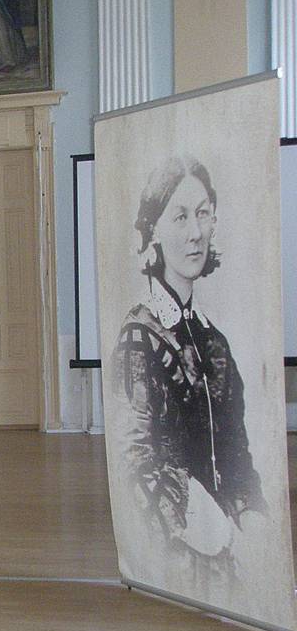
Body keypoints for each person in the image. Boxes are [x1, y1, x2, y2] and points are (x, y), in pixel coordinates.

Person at [110, 154, 266, 568]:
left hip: (230, 558)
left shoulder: (215, 343)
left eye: (202, 214)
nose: (195, 232)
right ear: (154, 231)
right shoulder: (139, 338)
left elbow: (236, 455)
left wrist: (253, 519)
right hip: (179, 559)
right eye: (179, 217)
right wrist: (219, 534)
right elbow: (136, 467)